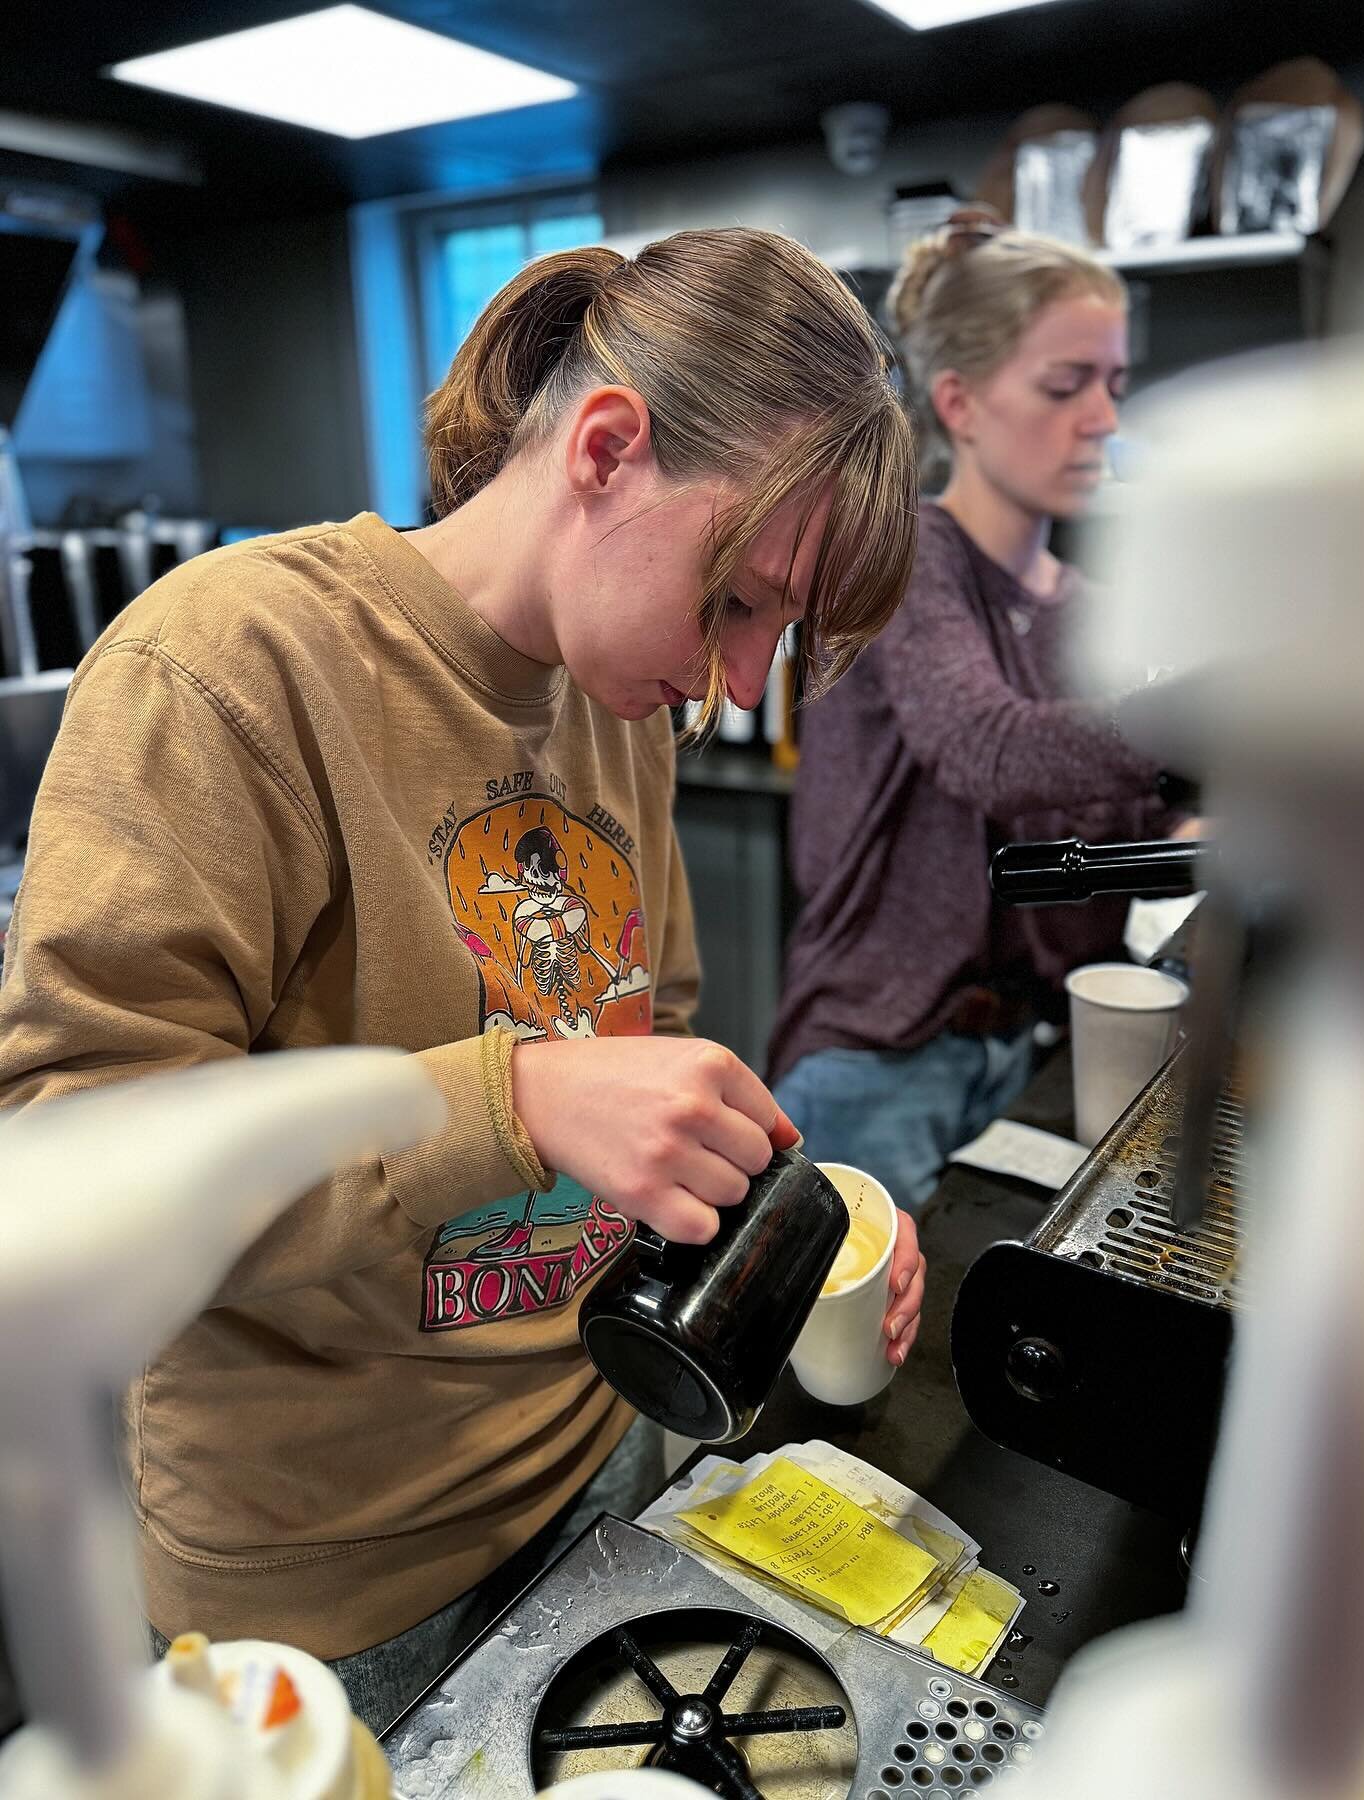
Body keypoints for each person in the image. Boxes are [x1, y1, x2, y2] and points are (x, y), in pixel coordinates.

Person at [0, 228, 927, 1731]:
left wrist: (788, 1224)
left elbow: (647, 1039)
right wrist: (511, 1100)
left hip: (604, 1471)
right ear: (608, 450)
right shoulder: (232, 668)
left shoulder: (620, 702)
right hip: (338, 1587)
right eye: (737, 603)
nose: (737, 683)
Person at [769, 208, 1187, 1216]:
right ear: (958, 401)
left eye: (1114, 387)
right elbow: (989, 749)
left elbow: (1119, 798)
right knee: (845, 1364)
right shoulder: (903, 560)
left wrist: (1188, 816)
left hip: (1038, 1049)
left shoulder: (1087, 607)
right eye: (1064, 385)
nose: (1101, 418)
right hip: (879, 1061)